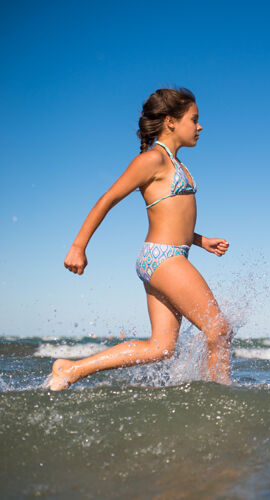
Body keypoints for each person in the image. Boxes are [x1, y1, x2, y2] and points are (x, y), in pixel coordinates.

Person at [47, 88, 233, 391]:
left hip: (164, 257)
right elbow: (108, 198)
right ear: (171, 121)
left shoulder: (176, 163)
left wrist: (201, 241)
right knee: (219, 330)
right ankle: (218, 401)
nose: (200, 127)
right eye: (194, 119)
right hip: (164, 258)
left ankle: (71, 370)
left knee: (161, 347)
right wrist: (78, 246)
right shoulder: (152, 160)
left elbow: (171, 218)